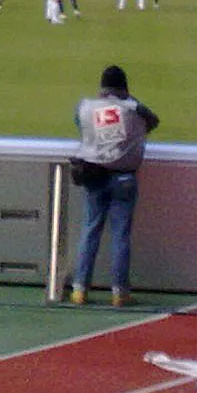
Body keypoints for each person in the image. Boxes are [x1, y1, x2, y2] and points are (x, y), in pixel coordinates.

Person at [70, 64, 160, 307]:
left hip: (94, 175)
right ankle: (119, 292)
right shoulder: (133, 109)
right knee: (120, 236)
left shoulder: (86, 107)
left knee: (90, 231)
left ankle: (79, 289)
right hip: (124, 178)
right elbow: (153, 121)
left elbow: (79, 121)